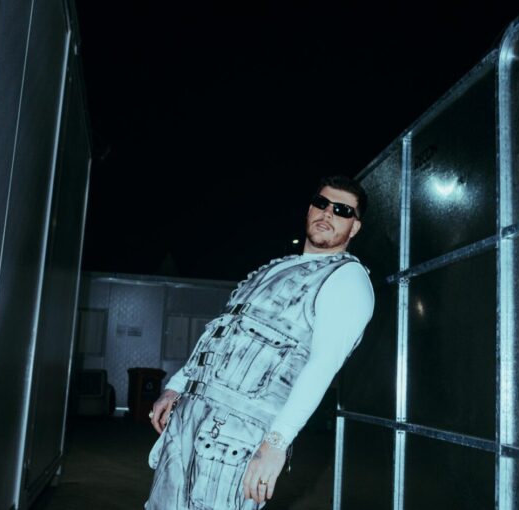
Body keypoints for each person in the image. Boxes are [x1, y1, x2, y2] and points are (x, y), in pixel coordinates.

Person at [145, 175, 374, 510]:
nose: (328, 213)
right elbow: (222, 333)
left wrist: (276, 443)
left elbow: (323, 366)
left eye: (342, 210)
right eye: (321, 203)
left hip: (236, 438)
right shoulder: (276, 269)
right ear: (309, 209)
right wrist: (177, 386)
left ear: (354, 227)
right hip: (189, 421)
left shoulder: (347, 279)